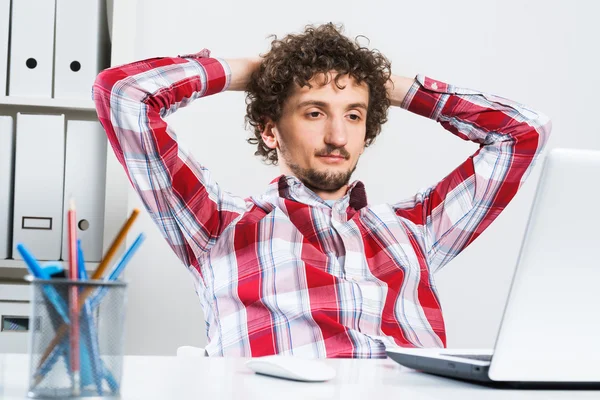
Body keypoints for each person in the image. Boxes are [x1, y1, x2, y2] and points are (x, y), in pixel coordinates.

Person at [93, 23, 551, 358]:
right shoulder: (216, 225)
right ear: (270, 129)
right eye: (314, 113)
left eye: (353, 114)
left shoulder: (417, 229)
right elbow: (122, 95)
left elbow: (523, 133)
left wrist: (388, 85)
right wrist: (252, 73)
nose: (338, 136)